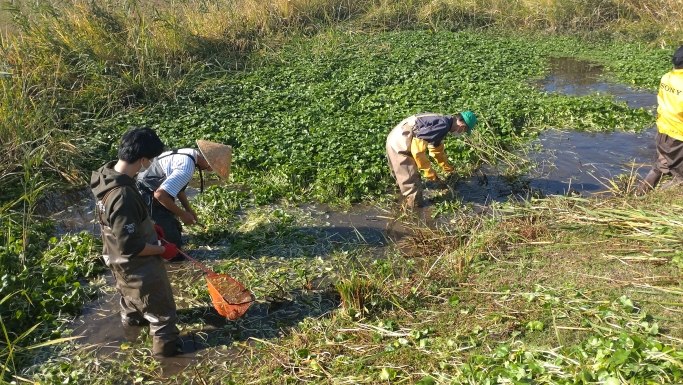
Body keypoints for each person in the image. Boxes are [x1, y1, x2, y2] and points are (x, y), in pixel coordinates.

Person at [90, 127, 181, 357]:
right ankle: (166, 363)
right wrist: (163, 248)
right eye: (149, 159)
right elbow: (131, 246)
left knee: (131, 303)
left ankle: (131, 338)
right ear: (142, 159)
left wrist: (149, 227)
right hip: (139, 268)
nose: (150, 163)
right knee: (162, 317)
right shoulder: (123, 194)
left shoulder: (105, 176)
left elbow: (119, 225)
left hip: (118, 263)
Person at [136, 140, 232, 261]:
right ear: (208, 161)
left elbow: (177, 186)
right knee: (173, 246)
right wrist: (181, 214)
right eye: (211, 167)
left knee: (175, 228)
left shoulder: (188, 153)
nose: (209, 170)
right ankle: (165, 262)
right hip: (148, 196)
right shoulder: (187, 168)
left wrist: (188, 210)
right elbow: (160, 195)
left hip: (147, 186)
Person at [386, 111, 477, 208]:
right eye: (464, 130)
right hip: (401, 143)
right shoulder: (443, 125)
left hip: (395, 136)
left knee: (401, 176)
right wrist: (428, 171)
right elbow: (417, 151)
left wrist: (446, 167)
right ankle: (414, 214)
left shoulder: (443, 122)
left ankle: (398, 201)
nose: (462, 133)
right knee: (412, 184)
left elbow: (435, 149)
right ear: (462, 126)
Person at [638, 45, 683, 194]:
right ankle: (656, 198)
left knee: (659, 166)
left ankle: (639, 193)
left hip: (663, 132)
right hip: (678, 137)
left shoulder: (667, 77)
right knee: (681, 178)